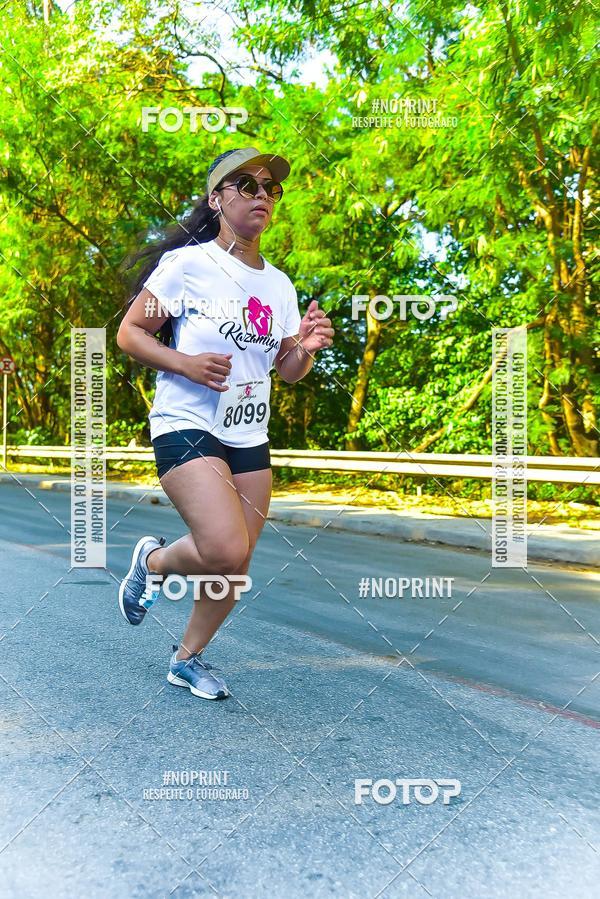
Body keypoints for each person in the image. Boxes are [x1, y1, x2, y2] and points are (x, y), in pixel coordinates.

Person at [116, 147, 334, 700]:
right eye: (247, 185)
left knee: (236, 563)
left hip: (249, 432)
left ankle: (187, 659)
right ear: (217, 200)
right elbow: (130, 334)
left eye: (270, 189)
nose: (262, 195)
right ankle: (156, 561)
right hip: (186, 421)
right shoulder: (189, 266)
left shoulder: (279, 287)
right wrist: (184, 362)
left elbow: (287, 371)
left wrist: (305, 348)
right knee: (222, 546)